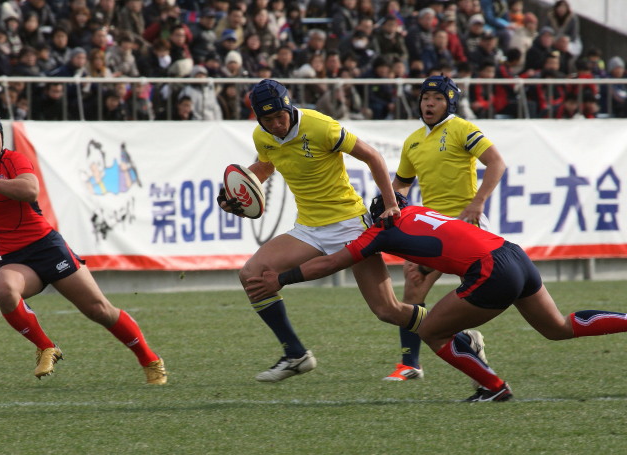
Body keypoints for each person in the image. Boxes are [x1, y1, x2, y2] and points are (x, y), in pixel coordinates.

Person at [245, 192, 627, 401]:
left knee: (432, 331)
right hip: (513, 254)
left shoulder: (379, 230)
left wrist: (283, 278)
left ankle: (494, 388)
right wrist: (428, 267)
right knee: (558, 327)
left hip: (491, 270)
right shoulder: (419, 211)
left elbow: (330, 262)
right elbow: (444, 240)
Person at [0, 109, 167, 384]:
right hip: (16, 258)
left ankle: (150, 359)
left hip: (48, 248)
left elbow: (30, 191)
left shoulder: (14, 160)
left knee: (99, 310)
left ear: (1, 138)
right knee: (3, 289)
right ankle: (47, 347)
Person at [216, 79, 417, 383]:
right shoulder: (262, 136)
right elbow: (266, 167)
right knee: (252, 275)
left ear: (289, 108)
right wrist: (237, 193)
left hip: (350, 225)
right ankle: (295, 354)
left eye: (280, 116)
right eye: (268, 120)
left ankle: (459, 335)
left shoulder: (321, 126)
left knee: (387, 310)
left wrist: (391, 204)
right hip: (309, 229)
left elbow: (372, 156)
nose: (276, 124)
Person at [385, 74, 506, 381]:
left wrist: (478, 203)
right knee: (414, 284)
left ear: (449, 103)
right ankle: (410, 363)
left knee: (479, 293)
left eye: (437, 99)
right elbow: (402, 183)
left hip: (466, 224)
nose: (429, 103)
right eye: (425, 98)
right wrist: (392, 204)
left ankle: (467, 343)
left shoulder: (462, 128)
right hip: (433, 227)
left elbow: (496, 163)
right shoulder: (413, 141)